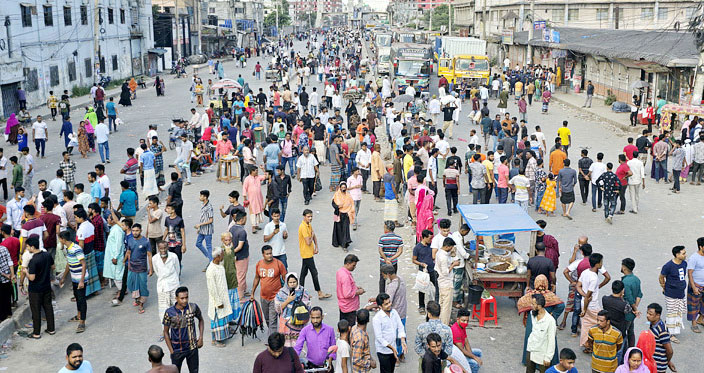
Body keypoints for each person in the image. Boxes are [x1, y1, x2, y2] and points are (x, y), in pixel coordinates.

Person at [518, 275, 564, 367]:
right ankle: (549, 361)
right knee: (549, 339)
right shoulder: (551, 295)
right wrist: (553, 315)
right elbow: (561, 306)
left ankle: (528, 361)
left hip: (532, 320)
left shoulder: (530, 296)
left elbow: (520, 303)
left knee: (531, 339)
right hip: (546, 319)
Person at [163, 287, 204, 372]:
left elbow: (201, 319)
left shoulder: (193, 307)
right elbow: (166, 332)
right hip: (177, 350)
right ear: (176, 298)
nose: (185, 300)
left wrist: (201, 338)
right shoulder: (169, 312)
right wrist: (171, 351)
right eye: (182, 298)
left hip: (192, 348)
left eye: (186, 297)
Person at [250, 245, 286, 338]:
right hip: (263, 297)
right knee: (268, 320)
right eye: (267, 254)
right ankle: (275, 335)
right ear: (263, 254)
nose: (270, 255)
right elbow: (257, 278)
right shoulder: (259, 264)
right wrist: (252, 293)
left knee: (273, 320)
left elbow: (285, 278)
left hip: (275, 297)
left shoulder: (278, 264)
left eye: (271, 253)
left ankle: (272, 341)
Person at [24, 236, 55, 339]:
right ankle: (51, 329)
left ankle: (36, 333)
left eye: (28, 246)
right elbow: (53, 266)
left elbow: (32, 278)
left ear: (33, 247)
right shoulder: (47, 255)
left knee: (36, 310)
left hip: (35, 289)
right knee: (48, 307)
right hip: (46, 286)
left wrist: (26, 272)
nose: (27, 248)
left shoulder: (33, 260)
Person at [298, 209, 330, 300]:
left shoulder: (308, 225)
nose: (310, 218)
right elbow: (308, 242)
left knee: (304, 273)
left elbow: (313, 235)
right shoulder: (303, 227)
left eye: (311, 216)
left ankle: (301, 293)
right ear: (304, 217)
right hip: (306, 253)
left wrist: (316, 247)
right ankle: (319, 292)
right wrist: (312, 235)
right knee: (314, 273)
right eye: (308, 217)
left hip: (308, 253)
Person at [659, 245, 687, 343]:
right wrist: (664, 287)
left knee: (678, 313)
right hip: (671, 294)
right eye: (683, 253)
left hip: (681, 294)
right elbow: (661, 277)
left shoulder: (684, 264)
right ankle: (670, 334)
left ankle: (673, 330)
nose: (685, 255)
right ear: (677, 254)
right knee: (672, 314)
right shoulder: (668, 266)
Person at [372, 292, 406, 372]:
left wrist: (402, 340)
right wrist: (392, 348)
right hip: (383, 351)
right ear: (380, 306)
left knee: (391, 370)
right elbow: (379, 338)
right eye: (386, 304)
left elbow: (400, 327)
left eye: (389, 302)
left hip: (393, 349)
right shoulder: (377, 319)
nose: (389, 305)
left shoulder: (394, 312)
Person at [275, 272, 311, 347]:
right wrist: (288, 300)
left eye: (294, 282)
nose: (292, 284)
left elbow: (308, 306)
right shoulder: (281, 293)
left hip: (299, 321)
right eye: (290, 282)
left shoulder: (303, 291)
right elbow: (278, 309)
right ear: (286, 283)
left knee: (298, 343)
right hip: (285, 321)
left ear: (297, 281)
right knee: (285, 343)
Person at [525, 294, 557, 372]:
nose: (531, 305)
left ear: (539, 306)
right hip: (531, 349)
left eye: (533, 304)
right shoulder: (533, 314)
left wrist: (548, 357)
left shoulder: (550, 321)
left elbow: (551, 340)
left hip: (542, 353)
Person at [126, 223, 152, 314]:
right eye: (133, 230)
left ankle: (141, 304)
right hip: (132, 267)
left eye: (137, 230)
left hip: (142, 267)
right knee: (130, 284)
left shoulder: (145, 241)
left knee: (142, 286)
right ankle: (137, 298)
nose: (135, 232)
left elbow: (149, 255)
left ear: (140, 231)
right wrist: (125, 262)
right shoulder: (130, 240)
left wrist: (151, 269)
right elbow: (128, 252)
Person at [152, 240, 180, 324]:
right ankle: (165, 332)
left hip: (174, 285)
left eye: (165, 248)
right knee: (163, 311)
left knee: (176, 308)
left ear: (167, 247)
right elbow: (157, 272)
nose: (163, 250)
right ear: (158, 248)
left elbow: (177, 270)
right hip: (162, 287)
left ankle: (177, 330)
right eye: (161, 248)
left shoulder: (173, 256)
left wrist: (174, 280)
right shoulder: (155, 259)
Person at [451, 308, 483, 373]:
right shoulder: (455, 330)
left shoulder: (462, 326)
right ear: (458, 319)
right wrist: (474, 357)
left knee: (479, 352)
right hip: (458, 355)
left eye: (467, 321)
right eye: (464, 320)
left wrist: (471, 355)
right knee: (475, 363)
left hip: (463, 351)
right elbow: (461, 350)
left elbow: (466, 342)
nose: (466, 323)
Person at [646, 303, 676, 372]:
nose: (647, 316)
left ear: (658, 315)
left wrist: (667, 362)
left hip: (658, 366)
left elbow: (670, 351)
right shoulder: (653, 324)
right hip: (652, 363)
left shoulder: (662, 330)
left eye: (650, 314)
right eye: (647, 313)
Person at [337, 254, 364, 326]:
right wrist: (358, 292)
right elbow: (347, 294)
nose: (354, 267)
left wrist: (355, 287)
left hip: (343, 305)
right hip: (349, 306)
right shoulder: (345, 276)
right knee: (349, 327)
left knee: (343, 326)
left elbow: (345, 287)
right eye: (353, 265)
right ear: (348, 264)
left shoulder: (340, 271)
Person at [332, 181, 355, 251]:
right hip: (337, 213)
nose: (343, 189)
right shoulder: (336, 195)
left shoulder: (348, 195)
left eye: (345, 187)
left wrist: (351, 212)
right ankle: (337, 242)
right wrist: (338, 206)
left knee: (345, 230)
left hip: (346, 214)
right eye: (342, 187)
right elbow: (333, 204)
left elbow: (352, 204)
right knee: (337, 228)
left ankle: (344, 244)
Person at [194, 190, 214, 268]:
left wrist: (200, 225)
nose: (200, 197)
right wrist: (200, 227)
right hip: (202, 230)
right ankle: (210, 257)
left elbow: (210, 220)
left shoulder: (209, 207)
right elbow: (203, 218)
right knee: (198, 244)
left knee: (209, 246)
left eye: (201, 196)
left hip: (208, 230)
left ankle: (211, 262)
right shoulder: (203, 205)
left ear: (205, 197)